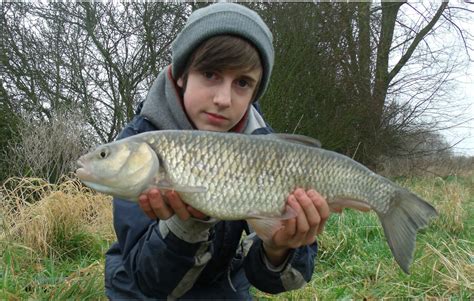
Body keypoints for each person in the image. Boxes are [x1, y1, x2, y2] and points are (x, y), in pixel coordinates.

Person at [105, 3, 330, 299]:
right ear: (181, 74)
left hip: (222, 285)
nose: (223, 99)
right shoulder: (139, 145)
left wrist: (278, 248)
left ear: (255, 91)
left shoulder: (268, 150)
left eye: (242, 83)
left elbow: (272, 281)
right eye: (210, 74)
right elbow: (149, 282)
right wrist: (185, 226)